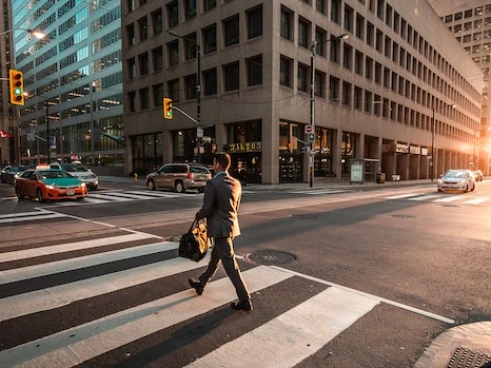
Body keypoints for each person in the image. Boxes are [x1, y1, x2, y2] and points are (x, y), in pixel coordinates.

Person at [188, 153, 253, 311]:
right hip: (231, 227)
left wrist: (199, 215)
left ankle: (245, 300)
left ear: (217, 164)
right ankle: (201, 284)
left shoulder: (213, 183)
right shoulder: (236, 183)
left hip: (219, 229)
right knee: (215, 259)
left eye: (214, 163)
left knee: (231, 266)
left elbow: (207, 208)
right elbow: (235, 207)